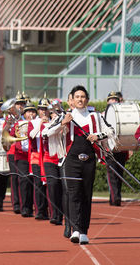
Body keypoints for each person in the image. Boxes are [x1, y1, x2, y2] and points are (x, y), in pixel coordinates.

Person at [46, 85, 114, 245]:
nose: (80, 99)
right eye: (77, 97)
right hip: (71, 160)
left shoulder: (95, 117)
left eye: (83, 97)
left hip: (89, 159)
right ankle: (75, 229)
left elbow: (110, 130)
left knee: (85, 195)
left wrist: (97, 136)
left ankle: (84, 231)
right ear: (72, 100)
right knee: (73, 194)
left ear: (87, 100)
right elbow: (47, 132)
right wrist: (63, 123)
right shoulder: (66, 116)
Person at [100, 91, 130, 207]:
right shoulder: (102, 114)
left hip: (121, 148)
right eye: (110, 99)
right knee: (112, 173)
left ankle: (115, 197)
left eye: (115, 99)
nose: (113, 102)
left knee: (120, 174)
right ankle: (115, 197)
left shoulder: (123, 114)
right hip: (109, 148)